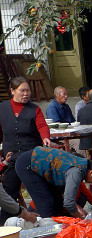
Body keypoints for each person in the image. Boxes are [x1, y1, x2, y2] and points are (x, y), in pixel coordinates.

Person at [0, 77, 52, 223]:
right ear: (12, 91)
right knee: (9, 193)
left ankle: (46, 220)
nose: (25, 94)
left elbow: (42, 125)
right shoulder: (2, 108)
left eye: (28, 90)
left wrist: (45, 138)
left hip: (31, 158)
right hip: (11, 158)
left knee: (39, 191)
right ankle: (3, 225)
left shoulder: (34, 109)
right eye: (22, 90)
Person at [15, 147, 92, 218]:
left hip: (41, 169)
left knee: (57, 204)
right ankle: (44, 232)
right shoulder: (76, 172)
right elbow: (69, 203)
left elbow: (90, 197)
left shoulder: (82, 166)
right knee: (46, 203)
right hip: (28, 165)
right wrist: (82, 219)